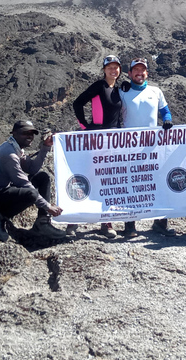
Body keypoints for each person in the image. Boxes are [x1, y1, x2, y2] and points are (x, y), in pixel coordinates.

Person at [0, 120, 65, 241]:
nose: (29, 136)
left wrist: (46, 146)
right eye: (25, 133)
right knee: (31, 194)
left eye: (32, 133)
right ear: (14, 133)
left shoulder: (15, 147)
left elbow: (32, 169)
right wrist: (48, 206)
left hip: (3, 191)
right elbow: (23, 184)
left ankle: (42, 223)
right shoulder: (10, 155)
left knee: (42, 177)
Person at [119, 57, 175, 237]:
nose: (139, 73)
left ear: (147, 73)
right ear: (129, 74)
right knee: (131, 185)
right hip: (129, 147)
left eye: (142, 70)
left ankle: (160, 223)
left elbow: (164, 110)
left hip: (153, 146)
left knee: (159, 184)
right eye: (136, 70)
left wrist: (167, 119)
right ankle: (130, 226)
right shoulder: (122, 91)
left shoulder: (156, 91)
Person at [71, 54, 124, 238]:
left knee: (107, 181)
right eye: (109, 67)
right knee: (88, 178)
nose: (113, 70)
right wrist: (86, 126)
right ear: (103, 70)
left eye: (116, 67)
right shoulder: (98, 86)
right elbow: (77, 103)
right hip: (96, 139)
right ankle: (74, 219)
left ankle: (106, 223)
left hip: (112, 142)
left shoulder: (117, 90)